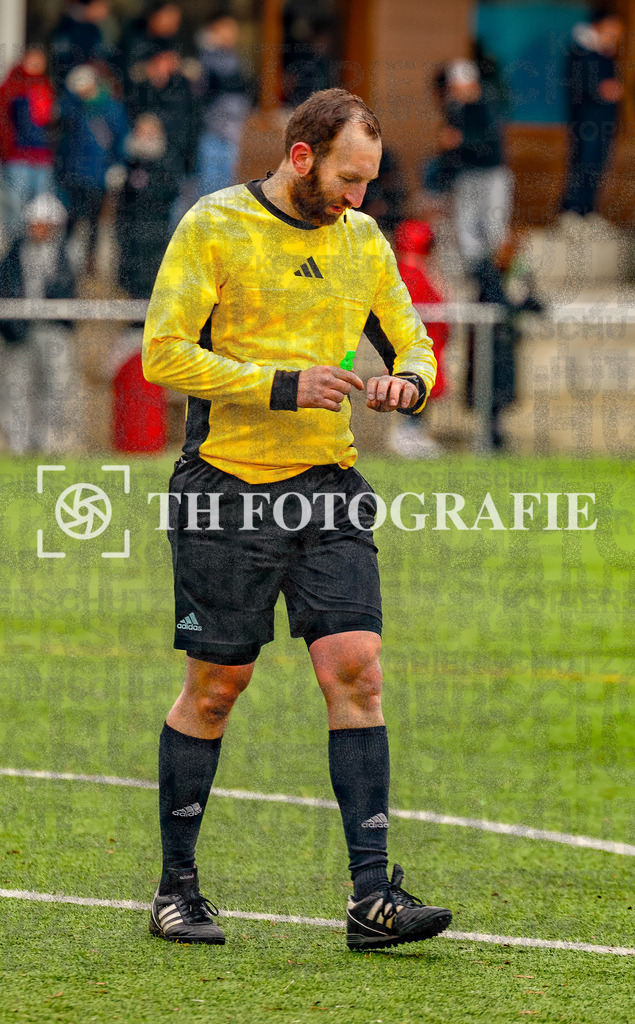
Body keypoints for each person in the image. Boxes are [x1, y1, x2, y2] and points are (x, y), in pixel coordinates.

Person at [142, 87, 451, 950]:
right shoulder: (213, 224)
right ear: (303, 156)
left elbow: (414, 339)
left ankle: (370, 897)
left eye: (370, 183)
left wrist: (409, 383)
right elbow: (162, 353)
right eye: (349, 179)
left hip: (328, 485)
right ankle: (176, 888)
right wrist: (280, 382)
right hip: (223, 490)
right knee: (216, 689)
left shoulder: (361, 238)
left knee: (356, 669)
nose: (360, 198)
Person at [0, 193, 75, 452]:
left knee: (54, 385)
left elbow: (67, 292)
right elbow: (7, 288)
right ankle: (17, 444)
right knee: (16, 386)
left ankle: (46, 441)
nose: (39, 229)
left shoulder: (65, 256)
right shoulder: (14, 254)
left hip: (52, 331)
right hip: (19, 330)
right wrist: (13, 326)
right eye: (35, 223)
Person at [56, 64, 127, 275]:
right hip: (73, 174)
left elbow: (120, 138)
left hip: (98, 175)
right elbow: (62, 121)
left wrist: (118, 164)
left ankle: (90, 261)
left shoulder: (111, 108)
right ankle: (64, 263)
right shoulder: (75, 106)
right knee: (71, 218)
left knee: (95, 222)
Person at [389, 219, 449, 458]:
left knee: (423, 386)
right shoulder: (410, 273)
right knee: (413, 384)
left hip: (430, 343)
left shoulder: (416, 271)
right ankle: (407, 434)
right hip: (416, 344)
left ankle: (414, 432)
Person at [561, 5, 625, 219]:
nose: (615, 36)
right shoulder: (582, 51)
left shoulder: (604, 54)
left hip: (603, 122)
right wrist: (601, 89)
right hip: (587, 121)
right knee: (583, 166)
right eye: (612, 29)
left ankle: (587, 211)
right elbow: (579, 85)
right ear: (598, 26)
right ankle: (572, 212)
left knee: (596, 167)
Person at [0, 44, 56, 243]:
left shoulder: (45, 87)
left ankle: (35, 249)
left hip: (41, 157)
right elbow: (4, 121)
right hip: (17, 157)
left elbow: (48, 122)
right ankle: (16, 251)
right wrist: (6, 149)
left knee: (40, 208)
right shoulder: (11, 87)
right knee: (16, 206)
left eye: (39, 60)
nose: (35, 64)